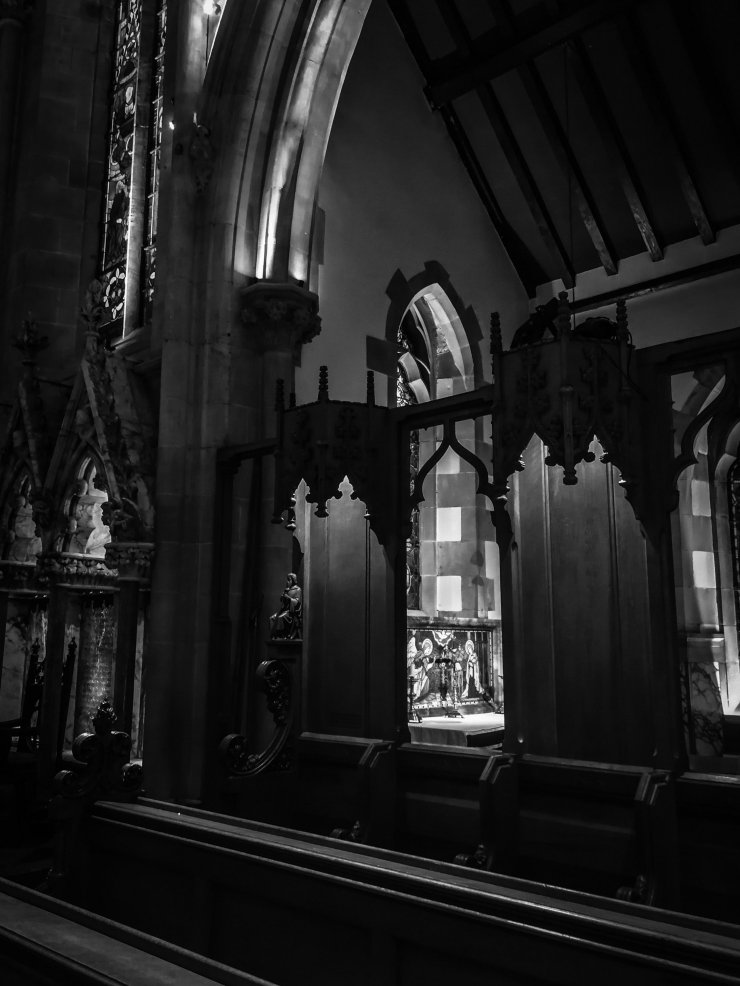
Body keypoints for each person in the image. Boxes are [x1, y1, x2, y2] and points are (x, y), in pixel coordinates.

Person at [269, 573, 303, 639]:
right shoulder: (287, 590)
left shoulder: (298, 590)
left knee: (280, 618)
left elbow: (297, 602)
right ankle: (274, 636)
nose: (287, 582)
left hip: (291, 613)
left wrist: (288, 598)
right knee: (272, 618)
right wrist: (283, 597)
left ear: (293, 580)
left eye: (289, 580)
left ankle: (281, 636)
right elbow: (283, 603)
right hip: (284, 611)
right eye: (287, 580)